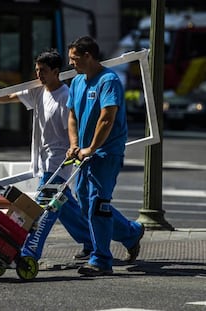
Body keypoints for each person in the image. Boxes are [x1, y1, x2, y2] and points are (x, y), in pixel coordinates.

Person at [0, 49, 93, 260]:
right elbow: (12, 96)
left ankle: (29, 251)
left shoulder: (66, 97)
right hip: (44, 161)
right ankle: (108, 237)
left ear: (56, 71)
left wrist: (75, 149)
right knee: (66, 207)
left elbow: (74, 127)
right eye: (36, 70)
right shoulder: (38, 91)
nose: (38, 75)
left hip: (59, 162)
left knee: (44, 210)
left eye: (42, 71)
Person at [66, 36, 145, 276]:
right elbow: (72, 116)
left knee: (98, 204)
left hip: (106, 153)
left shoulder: (108, 80)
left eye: (74, 58)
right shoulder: (78, 81)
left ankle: (101, 259)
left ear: (88, 56)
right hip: (85, 153)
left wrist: (91, 148)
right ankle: (131, 233)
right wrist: (75, 144)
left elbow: (107, 117)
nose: (71, 63)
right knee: (86, 201)